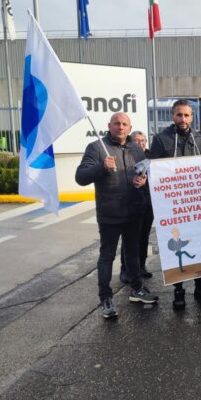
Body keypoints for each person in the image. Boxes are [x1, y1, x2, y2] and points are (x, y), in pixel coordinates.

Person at [75, 112, 158, 319]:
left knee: (133, 254)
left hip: (134, 212)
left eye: (124, 124)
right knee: (107, 257)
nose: (120, 127)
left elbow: (143, 173)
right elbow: (80, 177)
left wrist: (143, 182)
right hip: (110, 214)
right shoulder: (96, 148)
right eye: (116, 123)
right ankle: (106, 298)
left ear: (130, 128)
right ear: (109, 126)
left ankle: (137, 289)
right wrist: (101, 167)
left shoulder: (136, 149)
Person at [149, 99, 201, 310]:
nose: (183, 119)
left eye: (187, 115)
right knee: (177, 250)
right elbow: (154, 170)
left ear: (192, 117)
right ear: (173, 116)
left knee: (199, 244)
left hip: (195, 203)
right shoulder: (161, 139)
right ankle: (178, 291)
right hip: (173, 205)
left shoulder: (198, 138)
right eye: (179, 115)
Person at [119, 131, 153, 283]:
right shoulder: (127, 156)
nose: (140, 143)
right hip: (131, 201)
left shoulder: (150, 157)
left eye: (143, 140)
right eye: (137, 140)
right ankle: (125, 270)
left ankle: (141, 266)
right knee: (130, 239)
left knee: (144, 236)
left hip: (147, 202)